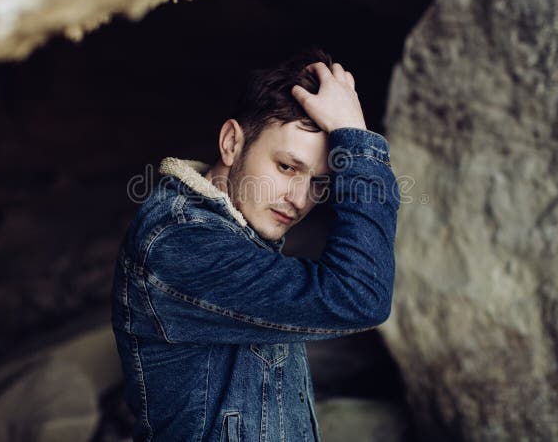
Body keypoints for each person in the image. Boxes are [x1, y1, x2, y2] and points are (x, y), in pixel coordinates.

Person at [111, 49, 399, 442]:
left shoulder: (236, 225)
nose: (300, 200)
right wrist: (360, 145)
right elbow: (359, 295)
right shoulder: (181, 242)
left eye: (318, 183)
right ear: (231, 142)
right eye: (287, 167)